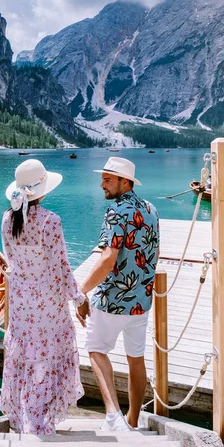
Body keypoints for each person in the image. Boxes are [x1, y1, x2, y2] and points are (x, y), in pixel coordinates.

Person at [0, 159, 86, 434]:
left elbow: (11, 259)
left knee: (25, 356)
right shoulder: (51, 221)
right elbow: (61, 268)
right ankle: (38, 423)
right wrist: (80, 299)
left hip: (21, 303)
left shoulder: (7, 219)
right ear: (43, 190)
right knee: (46, 359)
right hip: (48, 305)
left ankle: (26, 420)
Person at [77, 157, 159, 431]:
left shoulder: (116, 212)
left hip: (113, 300)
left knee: (96, 350)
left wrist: (81, 291)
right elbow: (152, 253)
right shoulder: (151, 209)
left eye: (108, 179)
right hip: (141, 302)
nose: (102, 184)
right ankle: (133, 420)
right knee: (136, 358)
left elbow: (107, 259)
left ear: (125, 182)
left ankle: (113, 416)